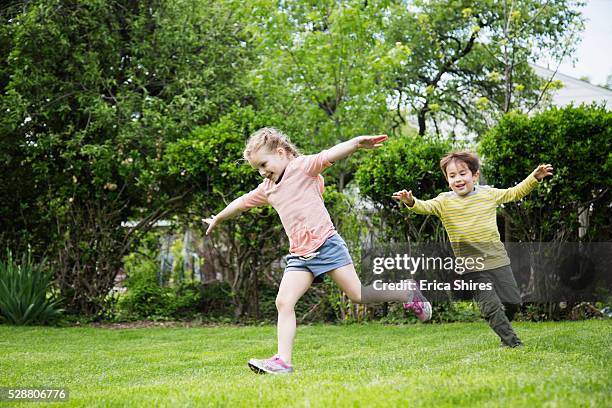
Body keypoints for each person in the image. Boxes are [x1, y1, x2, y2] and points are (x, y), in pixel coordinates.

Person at [204, 127, 431, 374]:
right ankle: (282, 361)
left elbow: (329, 155)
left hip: (326, 244)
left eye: (263, 164)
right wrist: (218, 217)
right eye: (257, 168)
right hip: (300, 255)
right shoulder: (268, 188)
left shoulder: (302, 167)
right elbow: (242, 203)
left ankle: (407, 293)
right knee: (284, 302)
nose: (261, 172)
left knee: (358, 294)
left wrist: (355, 142)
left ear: (281, 152)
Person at [392, 151, 553, 348]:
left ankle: (503, 328)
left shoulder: (488, 194)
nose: (458, 179)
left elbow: (514, 192)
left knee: (513, 302)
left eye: (462, 173)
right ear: (447, 180)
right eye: (452, 176)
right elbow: (423, 206)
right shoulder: (444, 201)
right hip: (472, 267)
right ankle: (512, 343)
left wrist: (534, 177)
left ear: (474, 175)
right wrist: (410, 201)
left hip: (498, 260)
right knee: (490, 306)